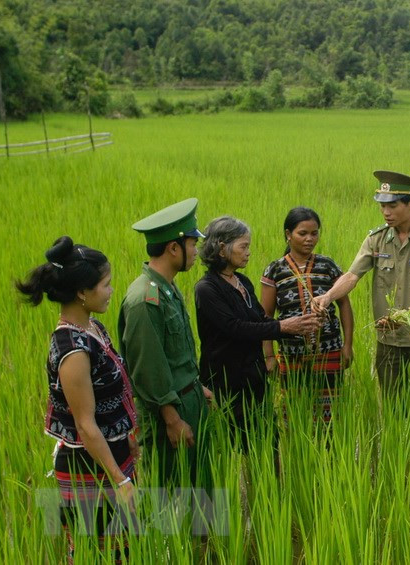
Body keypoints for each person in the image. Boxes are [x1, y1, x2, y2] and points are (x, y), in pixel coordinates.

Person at [17, 237, 138, 562]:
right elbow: (85, 425)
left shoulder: (93, 328)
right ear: (82, 293)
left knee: (124, 547)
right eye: (105, 285)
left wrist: (129, 439)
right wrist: (120, 479)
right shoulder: (73, 350)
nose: (111, 290)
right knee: (97, 551)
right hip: (90, 465)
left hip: (113, 453)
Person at [311, 171, 410, 405]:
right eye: (382, 206)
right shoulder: (376, 239)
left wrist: (405, 315)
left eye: (392, 205)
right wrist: (327, 297)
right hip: (389, 338)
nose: (386, 212)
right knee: (391, 405)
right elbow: (352, 275)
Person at [195, 216, 320, 447]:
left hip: (253, 378)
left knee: (266, 443)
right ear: (222, 249)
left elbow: (259, 318)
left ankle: (265, 482)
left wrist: (297, 325)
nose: (248, 252)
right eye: (244, 246)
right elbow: (234, 328)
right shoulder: (207, 288)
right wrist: (282, 327)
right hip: (226, 383)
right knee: (232, 445)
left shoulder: (241, 281)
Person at [118, 198, 212, 488]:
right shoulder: (144, 300)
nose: (197, 252)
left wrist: (198, 387)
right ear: (174, 248)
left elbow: (175, 353)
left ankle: (204, 535)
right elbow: (148, 368)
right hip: (168, 413)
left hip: (188, 398)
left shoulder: (167, 288)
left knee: (200, 488)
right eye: (193, 245)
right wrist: (172, 419)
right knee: (172, 495)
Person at [261, 208, 353, 424]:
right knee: (294, 416)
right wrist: (269, 355)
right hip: (292, 355)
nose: (310, 239)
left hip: (329, 351)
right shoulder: (275, 270)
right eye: (303, 233)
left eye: (314, 233)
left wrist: (348, 345)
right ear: (288, 234)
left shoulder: (327, 266)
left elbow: (345, 307)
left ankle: (329, 457)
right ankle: (299, 457)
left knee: (331, 417)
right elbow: (265, 316)